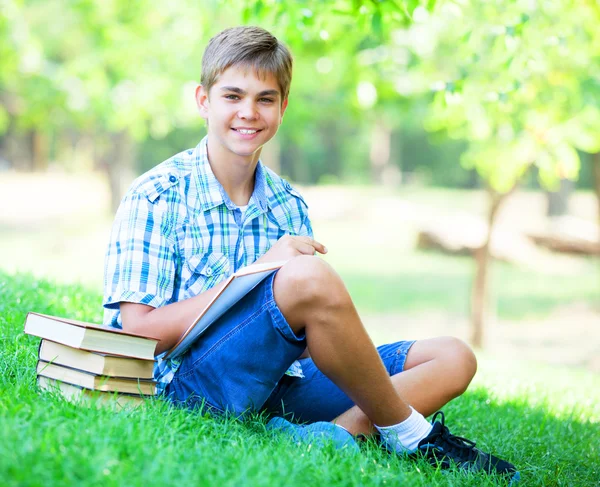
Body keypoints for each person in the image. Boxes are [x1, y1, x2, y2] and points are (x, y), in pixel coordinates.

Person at [103, 26, 519, 482]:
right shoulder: (157, 195)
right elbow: (136, 332)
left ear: (282, 108)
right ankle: (410, 434)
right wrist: (258, 272)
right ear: (203, 100)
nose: (248, 112)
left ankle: (337, 434)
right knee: (307, 276)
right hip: (191, 384)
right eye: (232, 96)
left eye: (265, 99)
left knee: (454, 357)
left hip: (284, 383)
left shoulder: (288, 205)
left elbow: (306, 331)